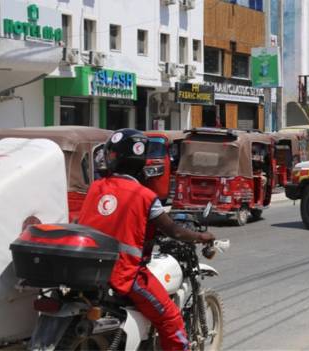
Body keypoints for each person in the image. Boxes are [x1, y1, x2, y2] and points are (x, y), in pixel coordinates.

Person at [79, 129, 215, 351]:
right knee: (170, 318)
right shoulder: (146, 197)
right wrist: (201, 236)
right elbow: (174, 231)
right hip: (124, 274)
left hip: (90, 269)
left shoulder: (96, 187)